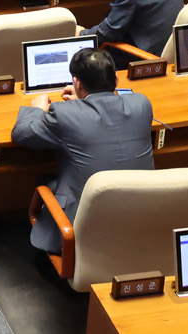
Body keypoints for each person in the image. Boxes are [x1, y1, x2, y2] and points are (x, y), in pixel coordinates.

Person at [12, 48, 155, 254]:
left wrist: (36, 108)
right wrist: (83, 105)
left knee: (45, 180)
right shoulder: (141, 104)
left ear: (77, 83)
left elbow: (22, 134)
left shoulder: (63, 114)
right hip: (139, 217)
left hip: (82, 225)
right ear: (116, 80)